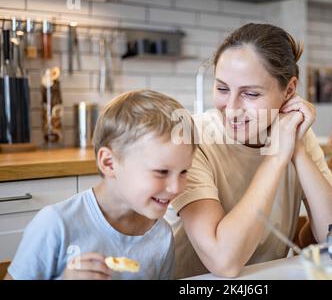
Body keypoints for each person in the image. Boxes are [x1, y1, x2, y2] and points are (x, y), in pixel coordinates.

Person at [169, 23, 332, 278]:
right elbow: (224, 262)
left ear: (289, 91)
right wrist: (277, 155)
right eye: (222, 89)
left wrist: (297, 149)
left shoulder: (296, 134)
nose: (232, 107)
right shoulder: (190, 138)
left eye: (251, 94)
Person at [5, 89, 195, 280]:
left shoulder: (162, 236)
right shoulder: (56, 224)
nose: (176, 188)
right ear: (109, 163)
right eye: (161, 172)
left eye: (184, 172)